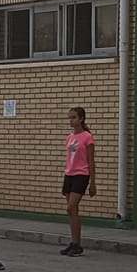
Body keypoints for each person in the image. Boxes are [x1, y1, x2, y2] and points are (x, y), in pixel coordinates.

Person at [60, 107, 96, 257]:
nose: (71, 120)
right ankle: (75, 243)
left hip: (82, 174)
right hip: (70, 174)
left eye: (74, 117)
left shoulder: (87, 137)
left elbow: (91, 160)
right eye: (70, 118)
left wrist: (93, 182)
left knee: (71, 207)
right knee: (72, 212)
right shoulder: (70, 137)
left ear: (81, 119)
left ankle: (77, 243)